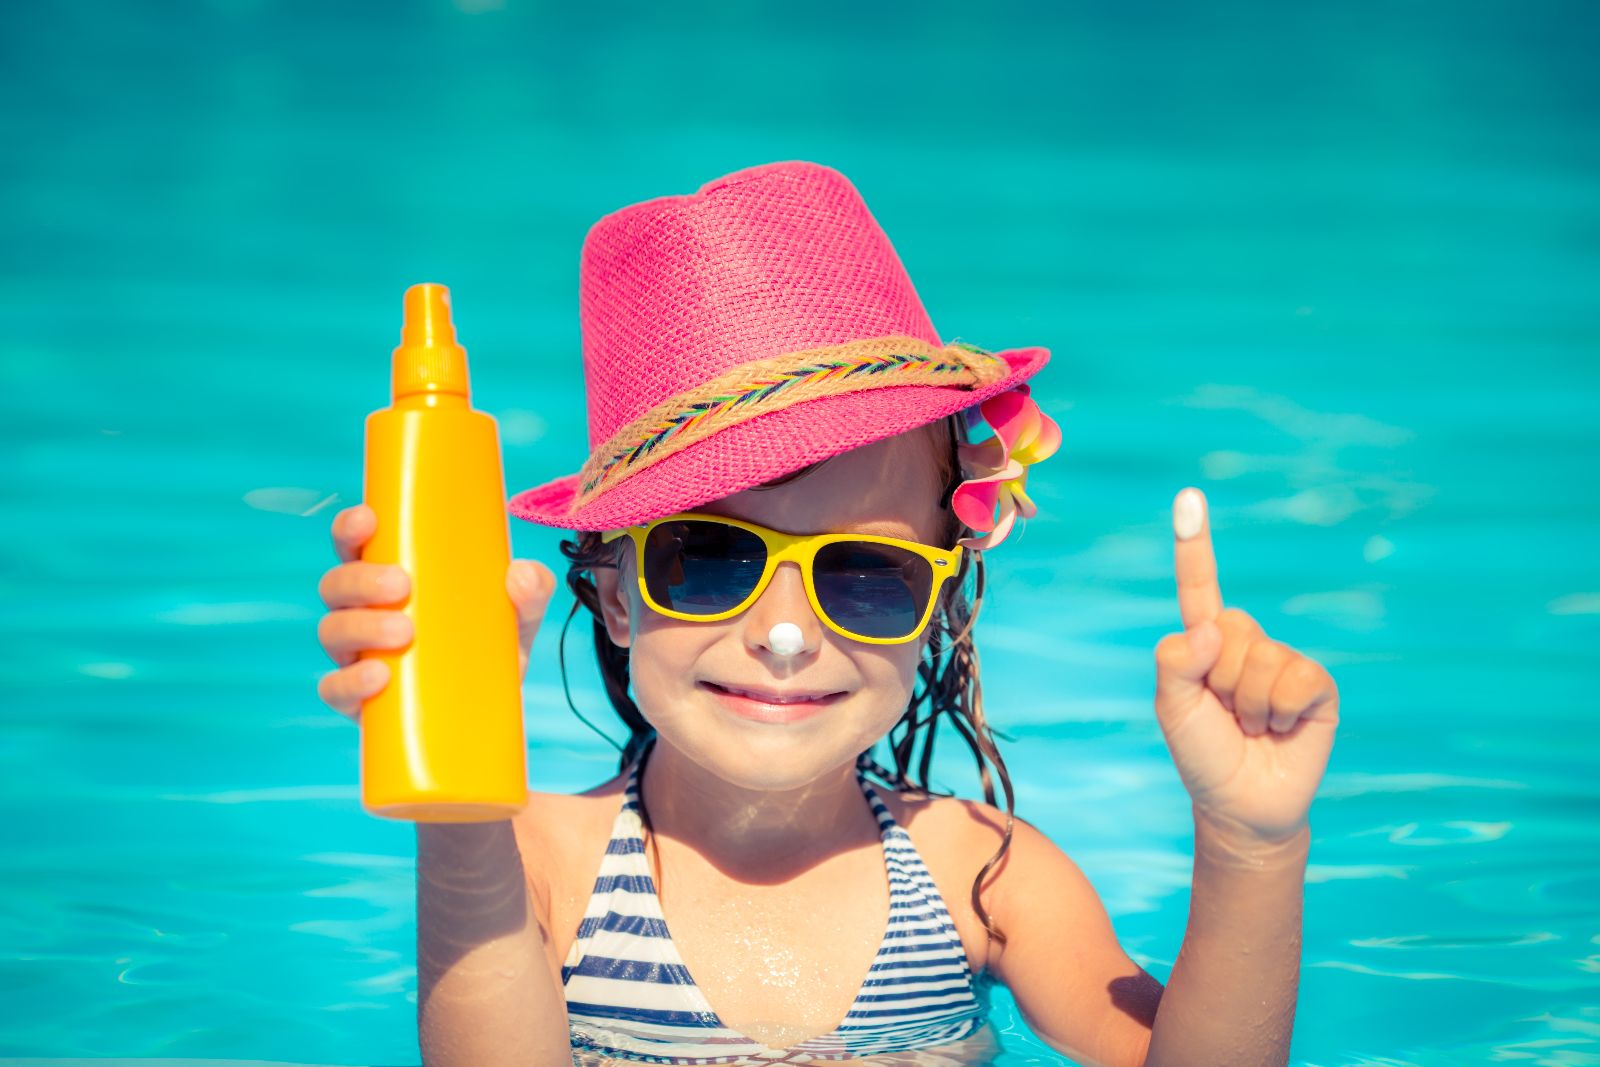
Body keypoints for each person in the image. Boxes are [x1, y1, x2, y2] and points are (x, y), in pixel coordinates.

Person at [315, 161, 1340, 1067]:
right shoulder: (536, 853)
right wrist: (455, 776)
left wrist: (1251, 842)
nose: (788, 631)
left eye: (866, 573)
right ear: (615, 590)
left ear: (939, 599)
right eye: (709, 556)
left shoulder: (982, 872)